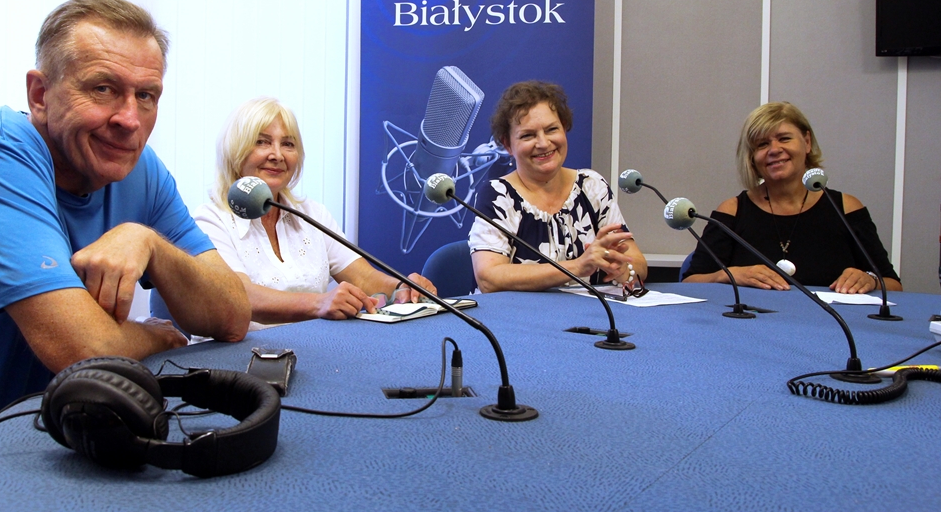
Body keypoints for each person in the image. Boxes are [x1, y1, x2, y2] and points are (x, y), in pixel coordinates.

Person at [0, 0, 250, 489]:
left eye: (147, 95)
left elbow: (230, 314)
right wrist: (152, 337)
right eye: (103, 89)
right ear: (40, 94)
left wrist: (150, 243)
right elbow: (84, 350)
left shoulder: (138, 168)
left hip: (53, 459)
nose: (129, 120)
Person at [191, 97, 437, 328]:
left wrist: (403, 287)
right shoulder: (209, 221)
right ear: (235, 151)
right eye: (262, 142)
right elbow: (239, 295)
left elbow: (363, 277)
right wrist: (319, 303)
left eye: (288, 144)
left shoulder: (312, 214)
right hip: (237, 362)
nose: (277, 155)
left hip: (311, 354)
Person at [682, 101, 900, 292]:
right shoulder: (732, 211)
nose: (774, 150)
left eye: (784, 139)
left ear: (806, 142)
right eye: (762, 144)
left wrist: (871, 280)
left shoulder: (845, 208)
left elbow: (893, 284)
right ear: (752, 157)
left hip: (832, 330)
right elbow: (690, 281)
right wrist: (728, 275)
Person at [469, 81, 647, 293]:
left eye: (551, 129)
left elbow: (638, 264)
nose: (543, 143)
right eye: (528, 135)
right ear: (508, 145)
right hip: (515, 321)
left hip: (590, 318)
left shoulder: (592, 186)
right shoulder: (497, 195)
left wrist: (621, 268)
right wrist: (578, 267)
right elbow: (489, 278)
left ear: (564, 128)